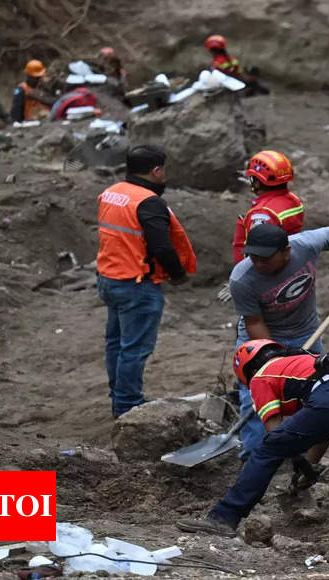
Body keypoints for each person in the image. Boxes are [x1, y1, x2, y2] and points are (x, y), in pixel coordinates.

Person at [176, 340, 329, 536]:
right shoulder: (307, 363)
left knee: (267, 450)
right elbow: (324, 430)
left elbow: (275, 435)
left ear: (246, 371)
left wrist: (298, 461)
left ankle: (224, 517)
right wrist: (309, 465)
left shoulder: (261, 377)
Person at [230, 223, 329, 459]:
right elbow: (254, 323)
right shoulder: (242, 278)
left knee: (314, 390)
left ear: (286, 251)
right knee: (256, 399)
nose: (258, 263)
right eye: (253, 257)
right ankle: (255, 456)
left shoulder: (305, 245)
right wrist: (275, 359)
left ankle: (305, 456)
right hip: (263, 338)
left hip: (306, 330)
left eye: (265, 259)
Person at [96, 145, 197, 417]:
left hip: (109, 278)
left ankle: (119, 396)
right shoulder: (148, 202)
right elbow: (162, 247)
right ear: (156, 170)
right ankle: (127, 406)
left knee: (116, 343)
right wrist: (178, 274)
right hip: (135, 284)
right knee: (133, 349)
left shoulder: (113, 193)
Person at [232, 151, 305, 264]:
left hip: (264, 272)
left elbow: (258, 254)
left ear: (257, 183)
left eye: (252, 178)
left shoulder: (262, 214)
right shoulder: (294, 200)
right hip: (290, 262)